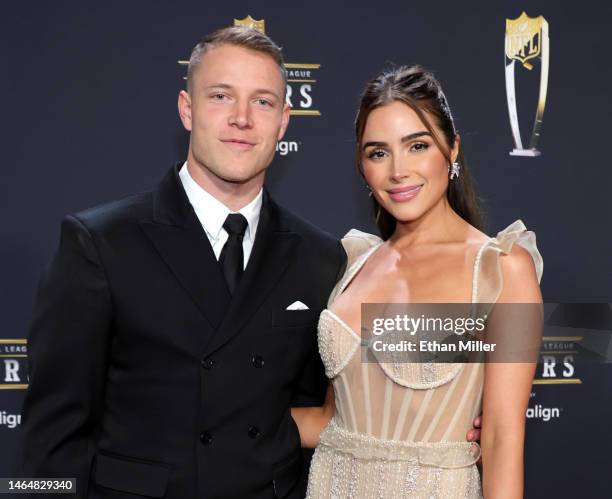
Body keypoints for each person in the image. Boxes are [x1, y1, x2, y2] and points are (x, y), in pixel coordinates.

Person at [18, 26, 347, 499]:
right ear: (186, 109)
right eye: (220, 96)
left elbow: (330, 409)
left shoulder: (319, 256)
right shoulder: (101, 243)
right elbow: (51, 434)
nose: (241, 119)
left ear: (284, 121)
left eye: (262, 102)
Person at [293, 66, 543, 498]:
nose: (398, 171)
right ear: (362, 166)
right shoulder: (353, 263)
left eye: (417, 145)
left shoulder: (503, 269)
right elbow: (332, 421)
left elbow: (501, 440)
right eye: (378, 153)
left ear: (452, 149)